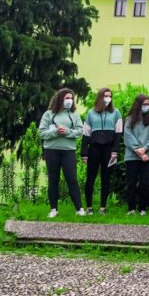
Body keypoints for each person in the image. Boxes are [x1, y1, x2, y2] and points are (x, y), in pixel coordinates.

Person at [38, 88, 86, 218]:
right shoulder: (48, 114)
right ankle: (54, 209)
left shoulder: (74, 115)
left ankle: (79, 208)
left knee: (72, 179)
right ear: (60, 99)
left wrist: (67, 132)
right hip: (52, 150)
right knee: (53, 179)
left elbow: (79, 131)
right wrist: (55, 132)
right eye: (67, 98)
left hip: (68, 151)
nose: (69, 101)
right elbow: (42, 133)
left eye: (71, 98)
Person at [82, 87, 122, 214]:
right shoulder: (91, 113)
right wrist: (84, 153)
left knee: (106, 178)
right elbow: (86, 134)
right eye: (105, 95)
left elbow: (118, 134)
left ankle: (103, 207)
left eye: (110, 96)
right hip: (94, 149)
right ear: (100, 97)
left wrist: (115, 151)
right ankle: (89, 207)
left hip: (108, 150)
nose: (108, 98)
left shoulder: (116, 113)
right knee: (90, 178)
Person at [123, 94, 149, 215]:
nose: (146, 106)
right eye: (144, 104)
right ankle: (131, 208)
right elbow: (127, 137)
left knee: (145, 183)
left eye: (148, 104)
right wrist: (138, 150)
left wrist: (145, 149)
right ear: (138, 105)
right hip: (132, 156)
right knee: (131, 183)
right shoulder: (129, 119)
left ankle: (143, 208)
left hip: (147, 156)